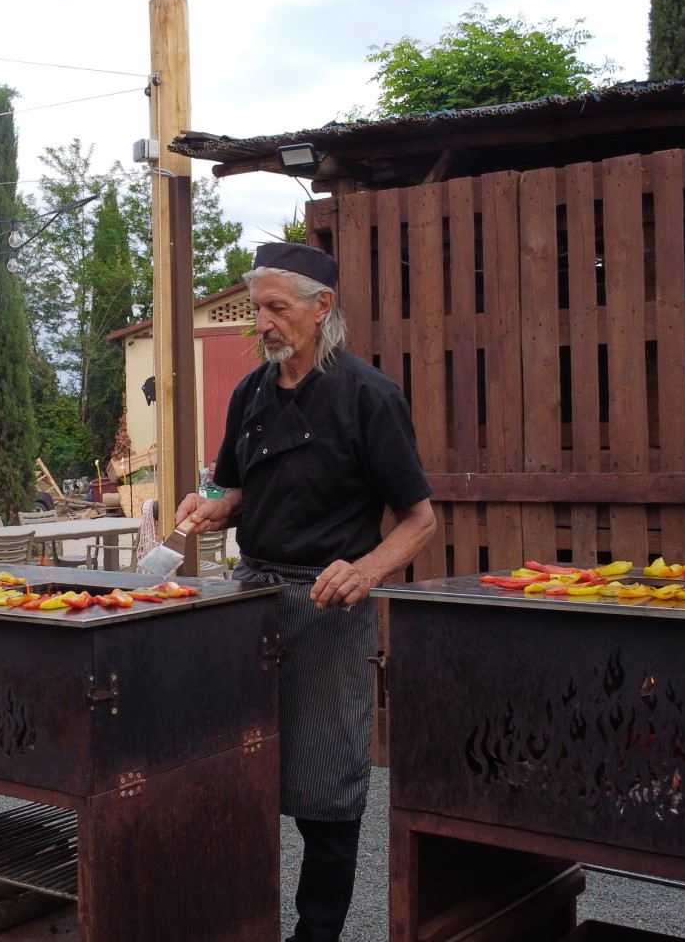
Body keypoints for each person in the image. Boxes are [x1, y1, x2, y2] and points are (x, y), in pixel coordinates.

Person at [176, 241, 435, 942]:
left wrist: (368, 570)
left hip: (328, 608)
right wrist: (209, 506)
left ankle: (315, 937)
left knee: (329, 794)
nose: (261, 323)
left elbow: (420, 519)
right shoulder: (249, 394)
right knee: (236, 776)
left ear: (322, 309)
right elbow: (233, 486)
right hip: (251, 600)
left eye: (276, 308)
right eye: (256, 308)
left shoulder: (369, 397)